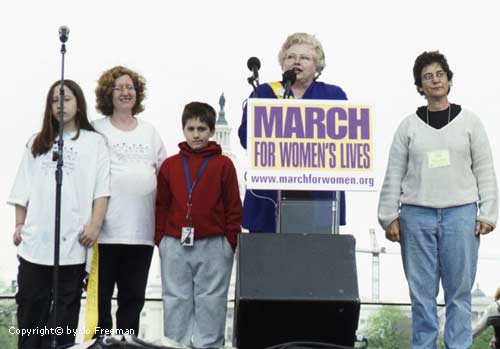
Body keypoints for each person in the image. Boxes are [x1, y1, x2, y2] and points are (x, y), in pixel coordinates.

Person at [378, 51, 498, 349]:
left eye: (440, 74)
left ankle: (458, 346)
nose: (435, 80)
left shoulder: (471, 122)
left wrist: (487, 214)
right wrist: (389, 216)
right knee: (422, 295)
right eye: (427, 76)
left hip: (461, 215)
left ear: (450, 79)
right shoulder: (408, 126)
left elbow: (485, 169)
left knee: (459, 293)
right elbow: (394, 172)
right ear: (419, 85)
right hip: (416, 216)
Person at [7, 80, 110, 349]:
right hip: (35, 246)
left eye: (67, 99)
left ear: (78, 103)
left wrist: (95, 226)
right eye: (55, 100)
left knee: (64, 317)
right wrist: (19, 224)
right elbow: (22, 189)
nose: (61, 105)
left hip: (74, 244)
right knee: (31, 313)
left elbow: (102, 190)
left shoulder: (95, 142)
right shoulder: (37, 142)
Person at [238, 32, 347, 233]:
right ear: (282, 64)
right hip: (270, 196)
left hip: (317, 197)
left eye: (304, 58)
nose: (296, 62)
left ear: (317, 67)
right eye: (290, 57)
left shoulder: (333, 96)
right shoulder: (264, 93)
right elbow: (246, 138)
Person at [155, 102, 242, 349]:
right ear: (183, 129)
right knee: (176, 299)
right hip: (174, 243)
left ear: (212, 131)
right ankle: (175, 344)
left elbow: (233, 207)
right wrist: (160, 240)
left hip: (215, 244)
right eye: (191, 128)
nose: (196, 134)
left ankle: (209, 345)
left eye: (202, 128)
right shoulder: (171, 165)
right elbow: (161, 204)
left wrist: (229, 243)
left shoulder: (224, 164)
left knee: (212, 301)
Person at [93, 66, 167, 336]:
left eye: (130, 88)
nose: (125, 93)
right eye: (119, 88)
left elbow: (164, 175)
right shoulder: (96, 130)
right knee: (99, 301)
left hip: (141, 233)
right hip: (105, 233)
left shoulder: (150, 131)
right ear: (107, 94)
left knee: (133, 300)